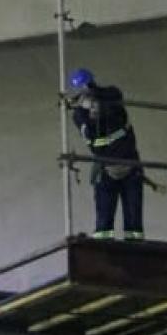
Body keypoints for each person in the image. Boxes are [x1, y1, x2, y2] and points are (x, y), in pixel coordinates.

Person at [66, 68, 146, 240]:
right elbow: (92, 138)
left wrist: (95, 102)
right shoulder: (80, 114)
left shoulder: (111, 94)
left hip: (130, 165)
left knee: (134, 224)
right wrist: (90, 113)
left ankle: (135, 252)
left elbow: (112, 103)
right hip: (105, 169)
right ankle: (104, 254)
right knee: (104, 225)